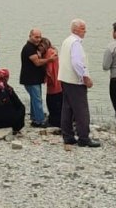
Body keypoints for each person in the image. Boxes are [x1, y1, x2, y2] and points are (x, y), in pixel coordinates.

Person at [58, 19, 99, 147]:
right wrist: (85, 77)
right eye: (82, 28)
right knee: (81, 110)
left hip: (65, 79)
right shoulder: (75, 43)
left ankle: (68, 136)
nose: (85, 31)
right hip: (75, 81)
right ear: (75, 29)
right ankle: (83, 138)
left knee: (67, 108)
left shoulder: (66, 41)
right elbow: (77, 63)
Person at [19, 29, 52, 128]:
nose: (38, 39)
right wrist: (49, 60)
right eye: (36, 37)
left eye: (39, 37)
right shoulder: (29, 48)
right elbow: (37, 62)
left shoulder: (33, 47)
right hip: (30, 79)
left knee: (35, 99)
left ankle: (35, 118)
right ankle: (40, 120)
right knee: (37, 99)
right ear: (30, 36)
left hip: (34, 78)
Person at [41, 36, 63, 128]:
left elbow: (50, 68)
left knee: (52, 102)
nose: (39, 49)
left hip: (54, 82)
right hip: (59, 81)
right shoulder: (53, 51)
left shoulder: (49, 53)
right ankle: (58, 120)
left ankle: (54, 121)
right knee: (58, 102)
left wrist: (46, 77)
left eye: (40, 47)